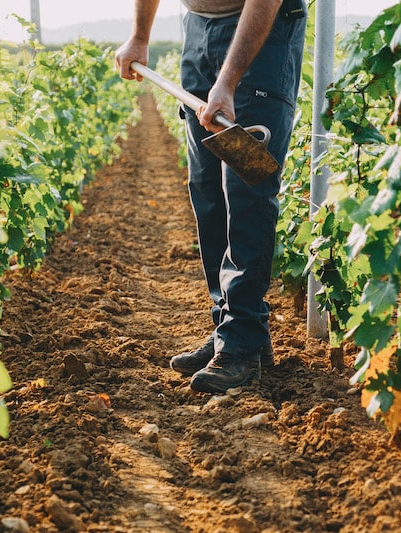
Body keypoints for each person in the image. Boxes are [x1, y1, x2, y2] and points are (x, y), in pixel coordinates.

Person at [115, 0, 306, 393]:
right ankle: (231, 329)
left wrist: (230, 80)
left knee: (245, 188)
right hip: (199, 28)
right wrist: (139, 35)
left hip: (262, 34)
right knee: (207, 190)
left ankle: (240, 343)